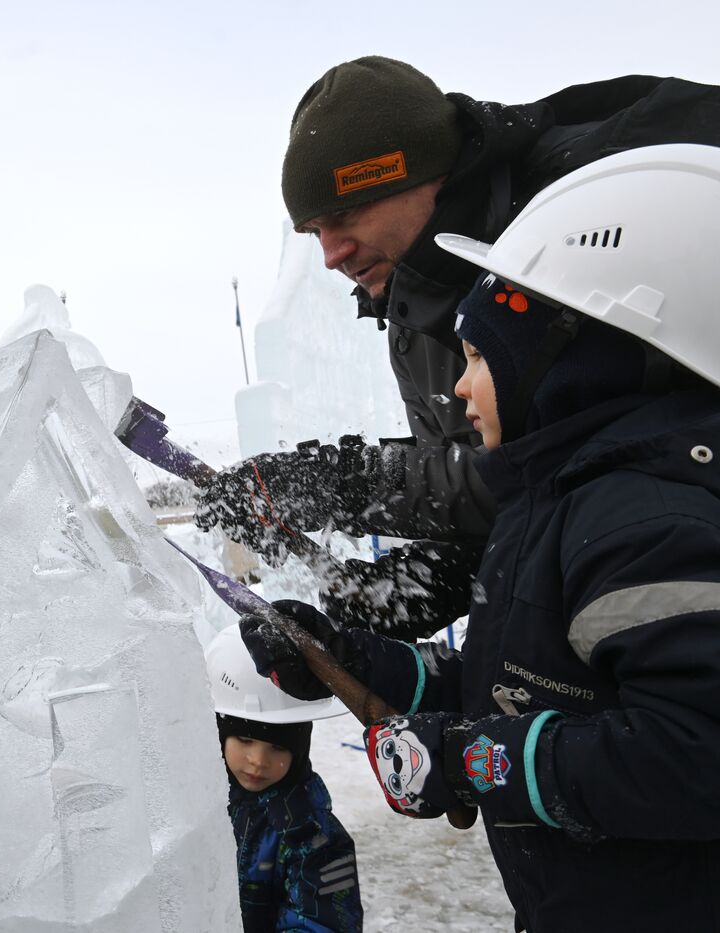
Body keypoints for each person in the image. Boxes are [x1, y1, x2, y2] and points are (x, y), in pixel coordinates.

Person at [243, 145, 720, 930]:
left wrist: (476, 762)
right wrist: (355, 660)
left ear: (568, 358)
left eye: (475, 355)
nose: (459, 387)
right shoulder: (548, 502)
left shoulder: (646, 518)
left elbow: (697, 748)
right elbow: (515, 681)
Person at [196, 57, 720, 636]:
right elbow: (493, 508)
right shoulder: (409, 315)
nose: (331, 253)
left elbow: (563, 464)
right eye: (314, 231)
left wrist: (339, 482)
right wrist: (400, 594)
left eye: (344, 215)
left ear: (423, 173)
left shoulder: (574, 240)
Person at [205, 625, 362, 932]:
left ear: (300, 750)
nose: (258, 761)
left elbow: (323, 923)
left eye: (278, 747)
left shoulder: (313, 835)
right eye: (244, 740)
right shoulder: (199, 802)